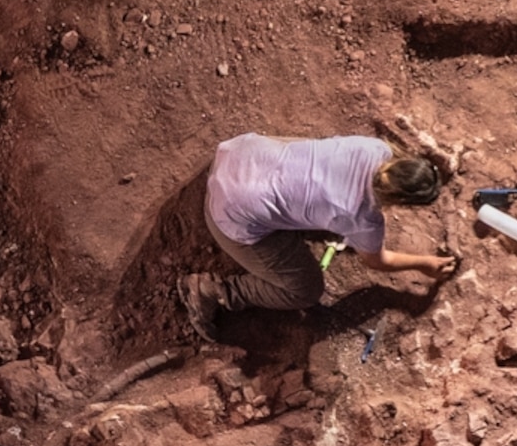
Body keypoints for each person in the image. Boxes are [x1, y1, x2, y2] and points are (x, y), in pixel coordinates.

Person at [187, 134, 455, 317]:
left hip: (237, 154)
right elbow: (378, 261)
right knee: (305, 292)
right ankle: (219, 293)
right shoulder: (363, 218)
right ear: (400, 201)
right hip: (229, 214)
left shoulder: (373, 148)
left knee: (305, 157)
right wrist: (425, 264)